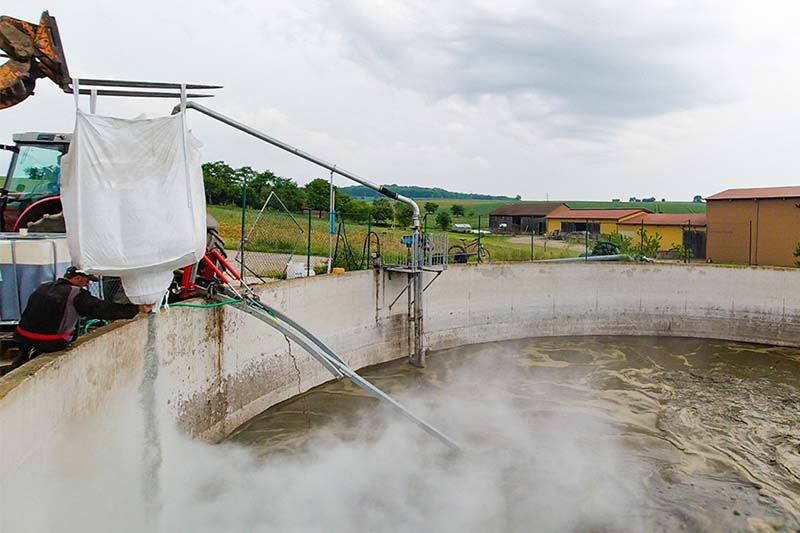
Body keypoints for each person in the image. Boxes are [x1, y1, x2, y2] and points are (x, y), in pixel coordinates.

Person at [10, 266, 152, 370]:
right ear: (77, 278)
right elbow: (104, 310)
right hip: (51, 343)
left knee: (20, 364)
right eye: (87, 280)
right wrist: (136, 309)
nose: (88, 284)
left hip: (23, 337)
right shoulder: (76, 294)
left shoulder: (44, 286)